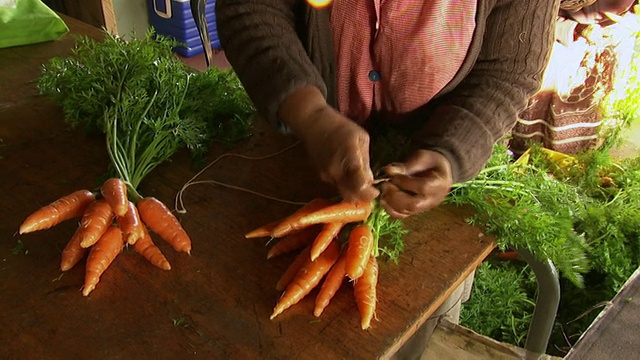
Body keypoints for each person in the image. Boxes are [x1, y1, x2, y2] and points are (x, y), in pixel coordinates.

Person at [215, 0, 557, 358]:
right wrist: (311, 115)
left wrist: (451, 153)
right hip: (297, 148)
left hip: (433, 200)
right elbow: (250, 7)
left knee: (414, 332)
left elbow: (510, 68)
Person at [510, 0, 638, 155]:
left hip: (599, 52)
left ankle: (570, 160)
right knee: (539, 118)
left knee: (585, 121)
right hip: (555, 44)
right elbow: (526, 15)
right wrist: (577, 29)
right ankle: (524, 155)